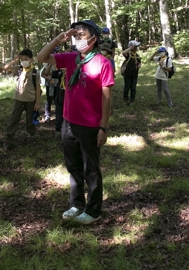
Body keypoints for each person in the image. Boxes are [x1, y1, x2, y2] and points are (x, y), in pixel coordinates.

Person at [36, 19, 114, 225]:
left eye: (81, 34)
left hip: (90, 125)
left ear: (94, 39)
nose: (77, 38)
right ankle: (76, 204)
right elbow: (41, 57)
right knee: (73, 167)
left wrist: (103, 127)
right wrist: (59, 38)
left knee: (91, 169)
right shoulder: (71, 59)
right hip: (68, 124)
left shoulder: (102, 63)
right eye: (75, 35)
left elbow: (107, 98)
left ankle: (93, 210)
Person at [2, 49, 41, 150]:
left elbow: (38, 88)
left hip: (30, 100)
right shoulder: (19, 69)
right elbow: (5, 68)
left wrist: (37, 102)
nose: (24, 61)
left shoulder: (35, 73)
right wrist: (13, 62)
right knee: (14, 119)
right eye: (22, 59)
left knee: (30, 120)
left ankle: (32, 135)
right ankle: (8, 139)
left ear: (31, 60)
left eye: (26, 59)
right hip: (18, 99)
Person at [121, 40, 142, 105]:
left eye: (136, 47)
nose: (136, 48)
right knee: (127, 86)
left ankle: (132, 99)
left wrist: (139, 65)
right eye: (135, 46)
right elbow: (123, 53)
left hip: (135, 74)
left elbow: (139, 62)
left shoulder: (137, 55)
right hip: (127, 74)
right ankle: (125, 98)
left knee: (133, 87)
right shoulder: (128, 54)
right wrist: (130, 48)